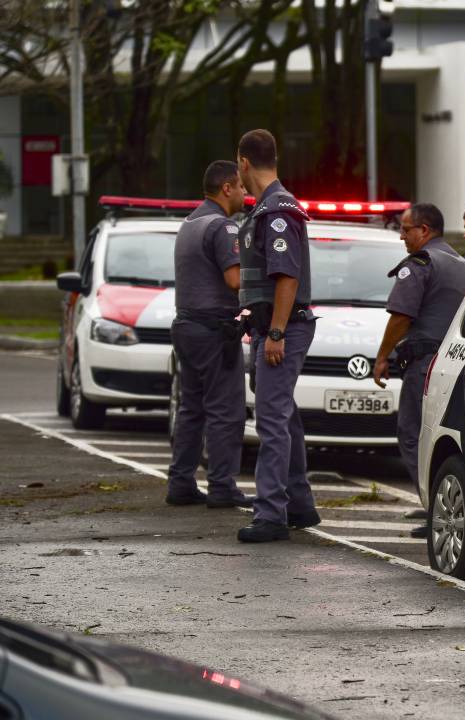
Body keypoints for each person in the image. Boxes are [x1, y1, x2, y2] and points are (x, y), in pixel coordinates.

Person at [234, 129, 321, 543]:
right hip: (279, 325)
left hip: (284, 327)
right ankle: (299, 504)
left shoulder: (278, 211)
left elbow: (287, 276)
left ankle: (270, 514)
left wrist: (276, 332)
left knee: (270, 420)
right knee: (284, 414)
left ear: (243, 163)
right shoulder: (268, 208)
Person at [373, 203, 465, 536]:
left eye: (406, 229)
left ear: (425, 230)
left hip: (425, 365)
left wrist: (382, 356)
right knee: (446, 438)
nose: (402, 236)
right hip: (456, 363)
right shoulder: (461, 264)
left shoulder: (420, 264)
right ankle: (446, 510)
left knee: (414, 432)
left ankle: (434, 510)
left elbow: (401, 316)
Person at [165, 161, 255, 510]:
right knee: (226, 411)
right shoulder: (222, 227)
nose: (246, 194)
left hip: (186, 327)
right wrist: (266, 283)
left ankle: (181, 483)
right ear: (227, 188)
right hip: (214, 330)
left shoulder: (190, 223)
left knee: (192, 408)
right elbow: (235, 280)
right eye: (242, 188)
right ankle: (221, 486)